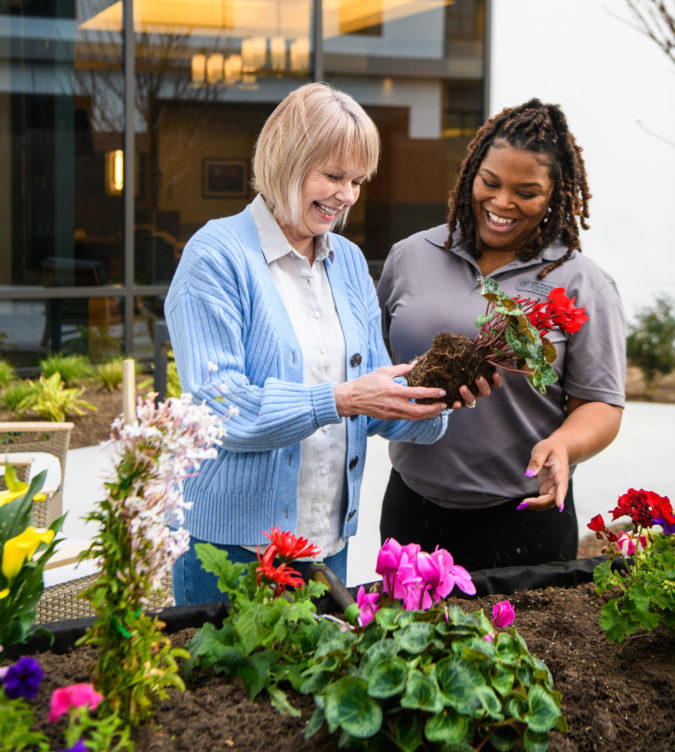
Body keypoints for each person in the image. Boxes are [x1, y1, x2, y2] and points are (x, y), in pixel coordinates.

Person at [164, 83, 493, 605]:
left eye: (357, 180)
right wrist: (341, 399)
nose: (347, 195)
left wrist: (439, 398)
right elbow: (219, 409)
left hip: (325, 544)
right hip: (230, 549)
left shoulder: (348, 262)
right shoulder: (216, 256)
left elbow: (375, 408)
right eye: (334, 176)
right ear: (285, 160)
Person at [377, 98, 625, 572]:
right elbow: (371, 361)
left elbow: (601, 404)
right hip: (412, 505)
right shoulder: (410, 255)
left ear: (554, 195)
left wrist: (564, 446)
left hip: (524, 516)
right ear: (471, 172)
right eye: (490, 182)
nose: (502, 202)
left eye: (526, 192)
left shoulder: (582, 282)